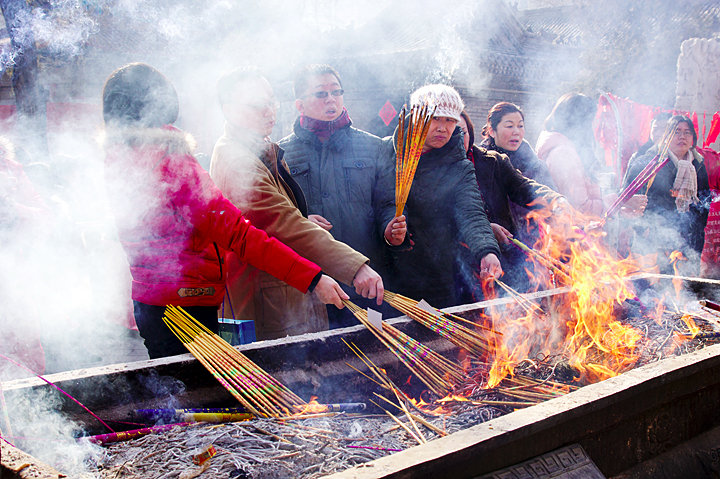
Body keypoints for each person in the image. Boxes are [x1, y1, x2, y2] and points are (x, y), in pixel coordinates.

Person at [101, 63, 348, 358]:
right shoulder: (171, 160)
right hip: (187, 307)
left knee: (177, 396)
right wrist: (312, 278)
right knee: (204, 397)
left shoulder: (120, 158)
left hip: (150, 305)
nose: (269, 110)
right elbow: (237, 233)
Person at [209, 67, 394, 340]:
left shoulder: (261, 148)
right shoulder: (237, 161)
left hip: (287, 293)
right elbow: (282, 222)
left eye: (271, 101)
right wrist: (354, 267)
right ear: (229, 109)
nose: (269, 111)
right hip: (266, 301)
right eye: (256, 104)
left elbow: (276, 216)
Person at [279, 64, 405, 328]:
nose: (331, 99)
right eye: (321, 94)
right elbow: (277, 216)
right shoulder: (281, 155)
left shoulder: (374, 146)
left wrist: (389, 228)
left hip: (368, 279)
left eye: (336, 92)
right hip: (312, 284)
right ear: (299, 104)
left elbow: (386, 203)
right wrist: (302, 219)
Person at [384, 84, 502, 308]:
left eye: (450, 120)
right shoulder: (388, 154)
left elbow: (472, 213)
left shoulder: (459, 167)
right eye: (435, 118)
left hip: (436, 274)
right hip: (386, 273)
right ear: (416, 118)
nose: (443, 128)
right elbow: (382, 203)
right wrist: (390, 232)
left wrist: (486, 251)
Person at [458, 111, 564, 293]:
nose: (457, 139)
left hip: (505, 260)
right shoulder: (429, 172)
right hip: (461, 272)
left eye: (462, 132)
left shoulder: (492, 162)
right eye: (509, 125)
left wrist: (556, 201)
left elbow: (525, 188)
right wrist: (485, 230)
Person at [622, 115, 710, 273]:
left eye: (687, 132)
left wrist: (695, 234)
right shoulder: (647, 162)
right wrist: (644, 229)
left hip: (688, 243)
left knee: (685, 292)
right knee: (653, 292)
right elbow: (626, 200)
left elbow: (704, 202)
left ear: (693, 138)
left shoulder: (697, 164)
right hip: (652, 243)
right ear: (666, 136)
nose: (682, 136)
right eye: (677, 131)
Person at [536, 93, 605, 216]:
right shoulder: (564, 154)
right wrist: (615, 201)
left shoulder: (561, 147)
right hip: (571, 231)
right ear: (581, 123)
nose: (596, 126)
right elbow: (580, 208)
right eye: (593, 120)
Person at [479, 102, 556, 189]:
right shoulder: (479, 162)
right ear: (492, 131)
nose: (516, 132)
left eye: (520, 126)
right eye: (509, 126)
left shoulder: (536, 166)